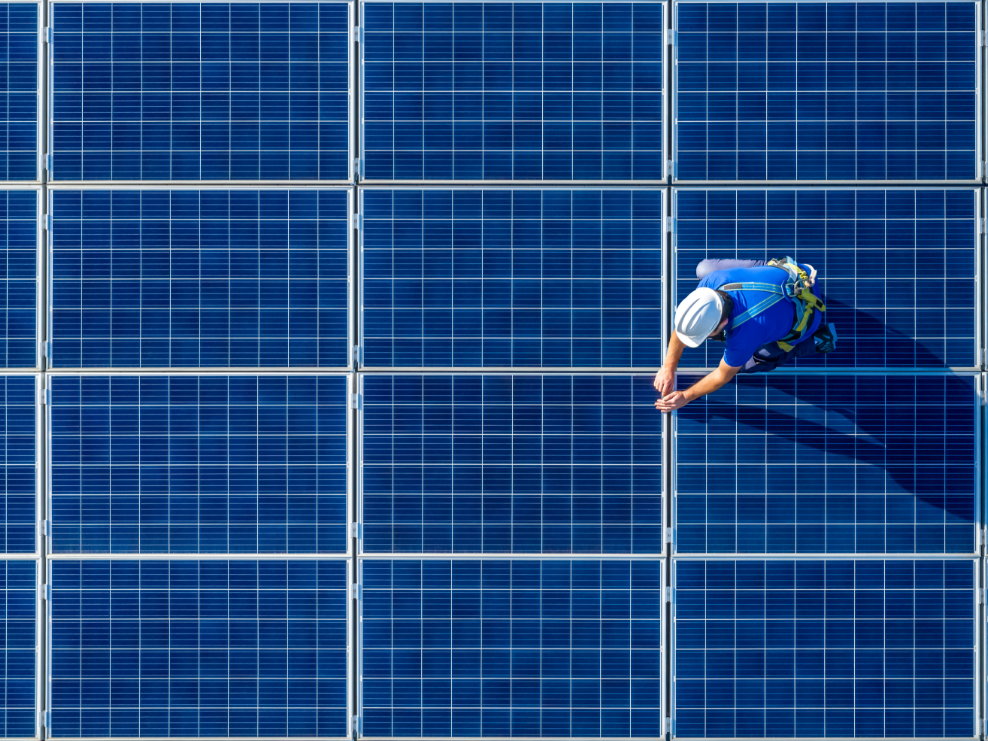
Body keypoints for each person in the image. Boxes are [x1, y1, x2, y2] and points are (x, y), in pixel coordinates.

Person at [654, 257, 837, 413]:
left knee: (748, 364)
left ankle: (815, 342)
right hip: (796, 272)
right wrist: (668, 367)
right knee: (703, 268)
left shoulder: (743, 338)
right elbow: (683, 327)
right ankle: (765, 271)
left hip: (809, 315)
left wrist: (686, 396)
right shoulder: (711, 282)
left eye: (707, 335)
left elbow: (722, 375)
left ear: (724, 324)